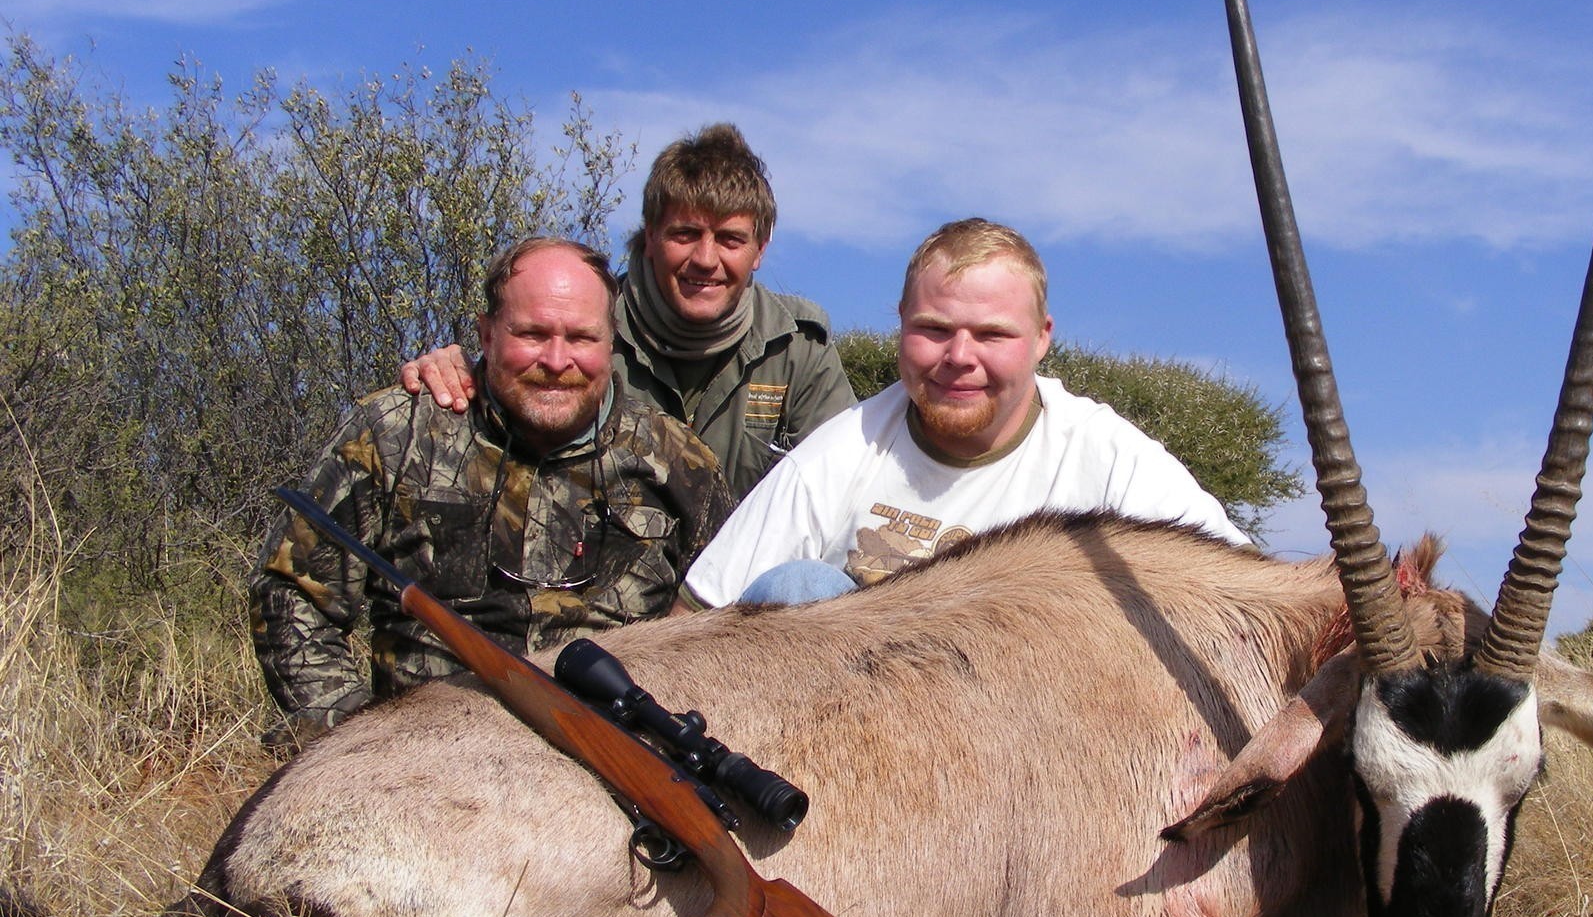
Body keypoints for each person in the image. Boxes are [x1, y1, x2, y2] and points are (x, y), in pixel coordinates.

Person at [251, 236, 734, 745]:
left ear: (611, 343)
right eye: (531, 333)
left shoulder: (680, 462)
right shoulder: (397, 433)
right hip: (426, 764)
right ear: (486, 335)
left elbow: (725, 634)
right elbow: (292, 595)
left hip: (617, 764)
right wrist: (356, 742)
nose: (556, 359)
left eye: (582, 338)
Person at [680, 218, 1249, 609]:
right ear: (900, 322)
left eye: (992, 334)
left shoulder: (1109, 457)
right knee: (799, 587)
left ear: (1041, 338)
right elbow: (702, 609)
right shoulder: (842, 449)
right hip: (851, 737)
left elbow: (1244, 593)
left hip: (1035, 737)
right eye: (934, 329)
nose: (959, 358)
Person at [405, 123, 855, 498]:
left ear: (760, 248)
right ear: (649, 236)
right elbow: (510, 406)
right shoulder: (582, 332)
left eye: (729, 239)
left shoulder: (799, 348)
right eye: (684, 233)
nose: (705, 258)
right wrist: (460, 373)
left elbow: (844, 485)